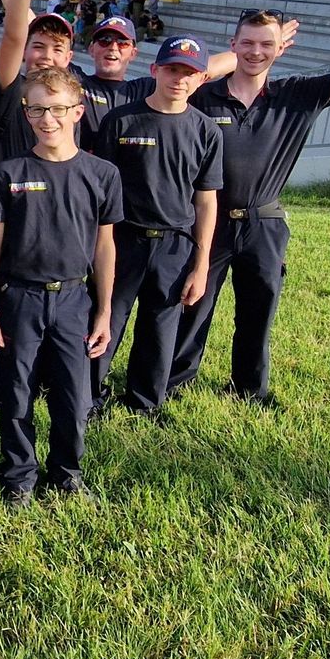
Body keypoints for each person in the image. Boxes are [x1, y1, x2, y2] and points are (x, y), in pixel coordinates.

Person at [169, 0, 330, 406]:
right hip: (207, 221)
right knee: (193, 307)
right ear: (232, 45)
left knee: (257, 311)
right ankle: (175, 383)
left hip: (263, 222)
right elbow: (194, 71)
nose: (256, 52)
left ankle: (250, 390)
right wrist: (251, 48)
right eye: (247, 43)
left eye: (266, 45)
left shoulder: (297, 95)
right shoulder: (203, 97)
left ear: (281, 49)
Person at [0, 67, 121, 507]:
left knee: (74, 395)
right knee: (16, 390)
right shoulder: (8, 173)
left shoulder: (102, 174)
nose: (47, 118)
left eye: (57, 109)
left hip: (75, 298)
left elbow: (106, 247)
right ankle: (19, 475)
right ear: (26, 111)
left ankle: (66, 473)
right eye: (36, 108)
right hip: (19, 298)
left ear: (77, 111)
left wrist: (104, 311)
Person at [90, 36, 222, 417]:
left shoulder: (206, 131)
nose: (179, 79)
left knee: (160, 329)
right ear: (154, 70)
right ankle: (89, 396)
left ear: (200, 79)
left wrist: (200, 264)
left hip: (174, 245)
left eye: (188, 72)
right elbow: (101, 191)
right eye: (172, 69)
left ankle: (144, 403)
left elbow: (206, 200)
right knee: (106, 318)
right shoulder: (121, 120)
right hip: (123, 240)